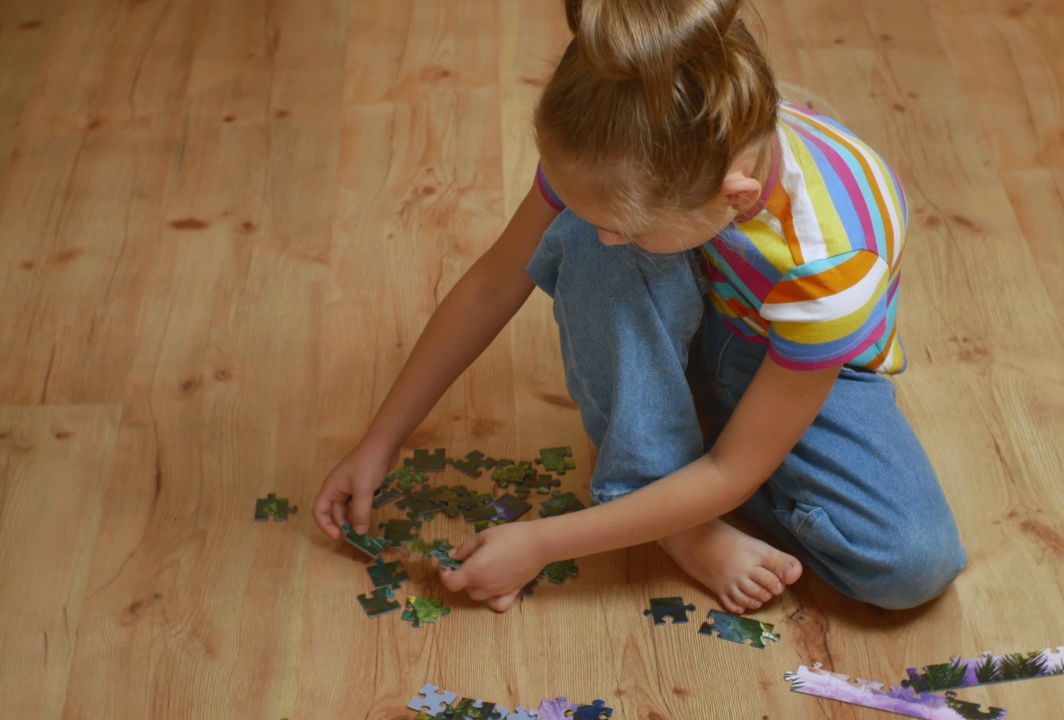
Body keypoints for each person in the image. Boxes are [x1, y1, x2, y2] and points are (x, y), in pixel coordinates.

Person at [313, 0, 966, 615]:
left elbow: (736, 470)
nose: (602, 240)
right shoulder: (619, 138)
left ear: (734, 199)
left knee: (910, 562)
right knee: (580, 236)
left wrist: (542, 542)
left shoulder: (832, 256)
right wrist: (380, 441)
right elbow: (491, 284)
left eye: (625, 229)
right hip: (703, 306)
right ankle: (669, 505)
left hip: (800, 361)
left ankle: (663, 493)